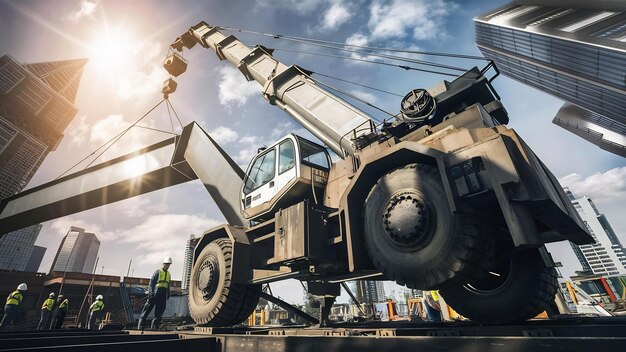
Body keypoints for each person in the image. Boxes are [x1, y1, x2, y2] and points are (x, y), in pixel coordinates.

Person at [138, 256, 172, 330]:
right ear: (163, 264)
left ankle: (155, 326)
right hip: (155, 293)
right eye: (166, 264)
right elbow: (152, 283)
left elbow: (168, 285)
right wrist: (151, 292)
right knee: (147, 309)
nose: (168, 266)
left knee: (160, 311)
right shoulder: (158, 272)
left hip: (163, 294)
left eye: (169, 264)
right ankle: (141, 325)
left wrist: (168, 294)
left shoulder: (169, 274)